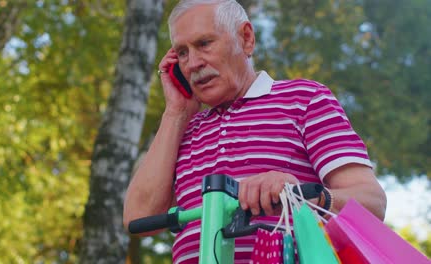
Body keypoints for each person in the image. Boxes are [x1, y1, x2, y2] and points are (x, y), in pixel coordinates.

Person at [124, 0, 387, 263]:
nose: (193, 63)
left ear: (246, 39)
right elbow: (139, 220)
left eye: (204, 44)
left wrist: (297, 193)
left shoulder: (304, 99)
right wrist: (176, 113)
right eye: (182, 52)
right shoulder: (182, 129)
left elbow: (372, 203)